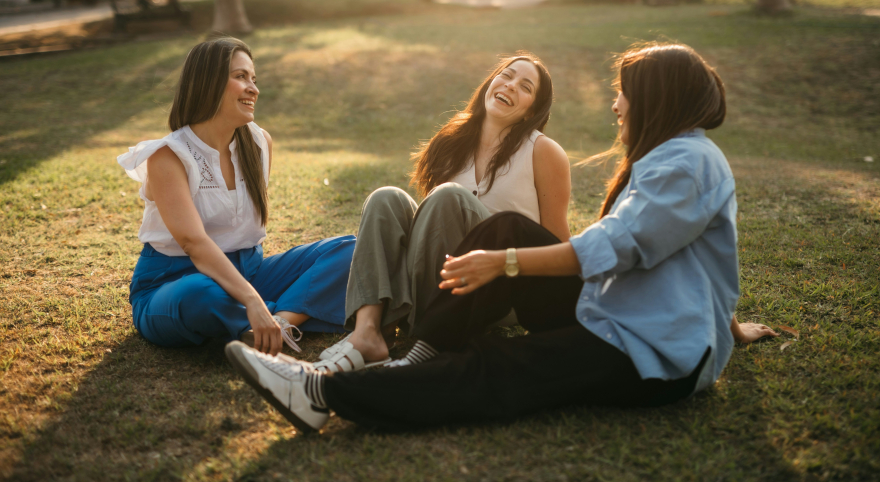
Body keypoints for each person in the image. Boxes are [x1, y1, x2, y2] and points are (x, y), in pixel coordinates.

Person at [225, 42, 782, 433]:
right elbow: (702, 265)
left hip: (650, 351)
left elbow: (617, 245)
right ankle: (414, 352)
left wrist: (505, 264)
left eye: (624, 93)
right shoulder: (675, 158)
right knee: (500, 229)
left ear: (658, 98)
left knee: (500, 370)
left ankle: (323, 395)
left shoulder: (685, 165)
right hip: (620, 316)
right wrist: (729, 326)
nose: (616, 105)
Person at [313, 52, 572, 372]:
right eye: (506, 75)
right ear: (491, 82)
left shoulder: (543, 151)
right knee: (386, 199)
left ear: (531, 110)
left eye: (525, 86)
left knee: (450, 196)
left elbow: (557, 244)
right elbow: (432, 231)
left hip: (495, 291)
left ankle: (429, 332)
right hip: (438, 283)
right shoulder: (452, 141)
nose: (510, 85)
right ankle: (367, 332)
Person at [118, 37, 355, 356]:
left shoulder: (259, 144)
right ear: (208, 82)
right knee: (200, 294)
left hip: (250, 273)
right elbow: (194, 244)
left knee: (350, 250)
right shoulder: (168, 156)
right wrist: (251, 300)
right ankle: (279, 313)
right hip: (174, 282)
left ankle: (279, 323)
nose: (253, 88)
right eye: (240, 77)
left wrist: (252, 297)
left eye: (253, 79)